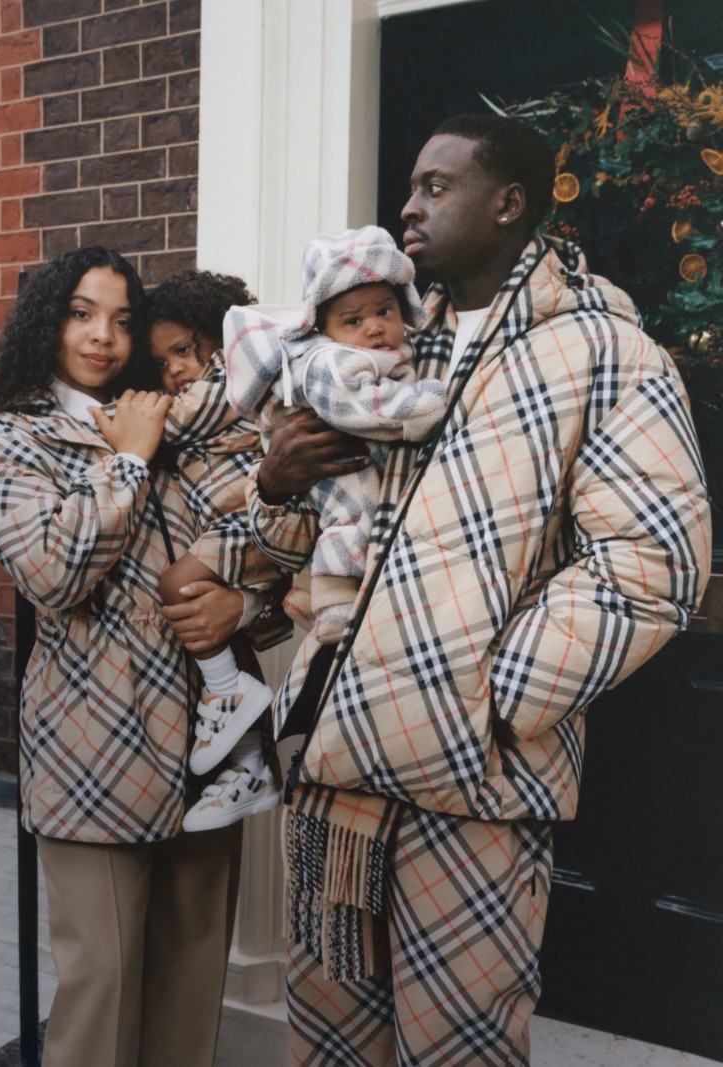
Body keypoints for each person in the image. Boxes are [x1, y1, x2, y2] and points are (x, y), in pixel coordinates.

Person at [247, 115, 712, 1065]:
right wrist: (277, 484)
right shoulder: (379, 347)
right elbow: (301, 544)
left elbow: (657, 557)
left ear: (509, 203)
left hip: (473, 786)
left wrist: (495, 696)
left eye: (434, 186)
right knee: (331, 1045)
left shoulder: (603, 352)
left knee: (457, 1049)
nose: (408, 207)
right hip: (337, 772)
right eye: (411, 187)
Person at [0, 247, 252, 1067]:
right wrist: (126, 461)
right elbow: (54, 575)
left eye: (124, 320)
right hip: (96, 746)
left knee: (194, 981)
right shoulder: (7, 439)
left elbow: (250, 539)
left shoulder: (170, 411)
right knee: (103, 987)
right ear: (48, 322)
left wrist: (247, 601)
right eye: (83, 313)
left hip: (209, 734)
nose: (103, 336)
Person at [224, 225, 448, 644]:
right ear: (323, 327)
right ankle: (334, 605)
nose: (374, 328)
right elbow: (362, 405)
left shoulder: (390, 351)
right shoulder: (327, 360)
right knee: (354, 509)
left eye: (385, 311)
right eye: (353, 320)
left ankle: (308, 589)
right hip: (330, 457)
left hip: (358, 452)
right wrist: (426, 405)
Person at [144, 268, 284, 831]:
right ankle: (252, 767)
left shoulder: (231, 380)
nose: (174, 370)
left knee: (177, 584)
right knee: (223, 632)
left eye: (182, 351)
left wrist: (112, 419)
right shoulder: (206, 382)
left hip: (248, 520)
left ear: (218, 341)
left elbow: (172, 421)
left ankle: (227, 694)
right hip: (230, 527)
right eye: (160, 362)